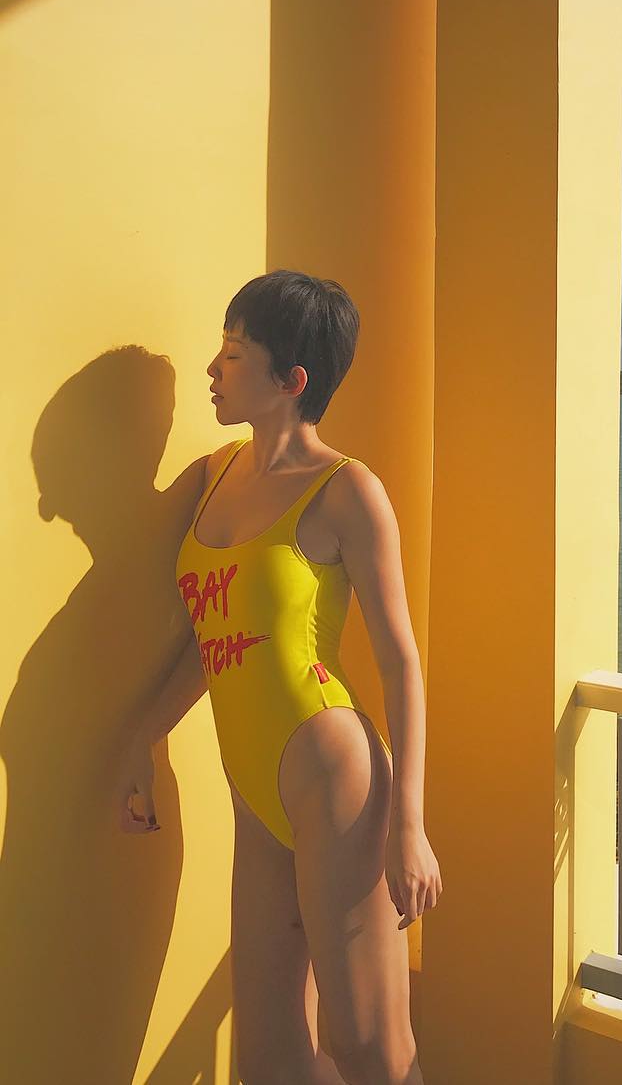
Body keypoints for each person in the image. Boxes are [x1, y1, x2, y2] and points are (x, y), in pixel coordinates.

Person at [116, 269, 439, 1085]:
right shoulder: (215, 475)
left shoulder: (347, 491)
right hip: (253, 785)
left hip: (334, 772)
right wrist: (142, 738)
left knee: (369, 1045)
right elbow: (215, 638)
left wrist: (408, 826)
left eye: (232, 354)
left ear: (291, 380)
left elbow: (401, 661)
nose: (212, 369)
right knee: (269, 1057)